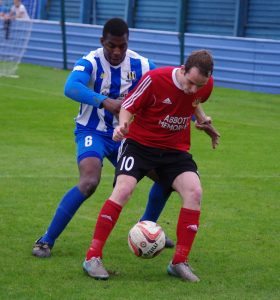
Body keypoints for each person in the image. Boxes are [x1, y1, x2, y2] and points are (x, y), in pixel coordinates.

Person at [32, 18, 175, 258]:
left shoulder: (143, 64)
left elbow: (170, 90)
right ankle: (46, 239)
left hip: (127, 137)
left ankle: (146, 231)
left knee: (166, 179)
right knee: (89, 182)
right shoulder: (90, 61)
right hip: (92, 131)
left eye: (122, 46)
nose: (117, 51)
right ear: (102, 42)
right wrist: (104, 101)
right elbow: (71, 87)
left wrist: (196, 118)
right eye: (111, 46)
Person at [83, 49, 220, 281]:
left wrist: (202, 119)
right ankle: (92, 257)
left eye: (200, 85)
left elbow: (193, 100)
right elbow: (128, 106)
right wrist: (123, 126)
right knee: (124, 189)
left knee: (194, 191)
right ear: (183, 69)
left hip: (174, 149)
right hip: (139, 144)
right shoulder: (156, 80)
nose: (194, 89)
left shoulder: (204, 85)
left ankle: (179, 262)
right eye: (190, 82)